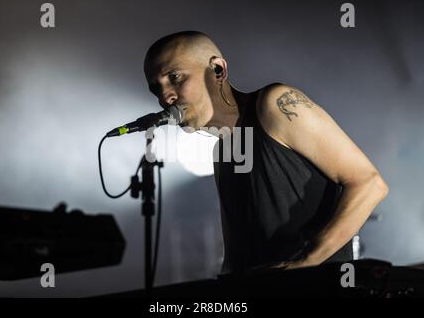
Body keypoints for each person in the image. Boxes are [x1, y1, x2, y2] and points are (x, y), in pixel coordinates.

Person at [143, 31, 389, 274]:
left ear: (217, 70)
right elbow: (234, 257)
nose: (165, 97)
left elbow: (369, 184)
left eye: (175, 77)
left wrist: (307, 261)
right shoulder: (222, 152)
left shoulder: (275, 103)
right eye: (156, 89)